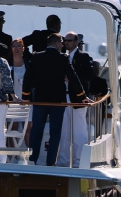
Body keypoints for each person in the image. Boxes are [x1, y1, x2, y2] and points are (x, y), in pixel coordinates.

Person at [22, 33, 88, 165]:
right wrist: (82, 96)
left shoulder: (37, 57)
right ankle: (50, 162)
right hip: (58, 102)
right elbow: (73, 77)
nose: (63, 45)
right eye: (62, 43)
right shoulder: (62, 58)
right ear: (57, 43)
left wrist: (25, 98)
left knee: (37, 130)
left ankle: (32, 160)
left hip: (40, 100)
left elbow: (27, 78)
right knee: (55, 132)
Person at [57, 32, 96, 168]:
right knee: (64, 132)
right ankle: (63, 161)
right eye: (64, 41)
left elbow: (89, 76)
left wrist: (73, 78)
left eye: (69, 40)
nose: (66, 43)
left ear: (76, 41)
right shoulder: (61, 57)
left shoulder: (84, 57)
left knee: (79, 131)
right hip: (64, 97)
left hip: (78, 98)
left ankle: (79, 161)